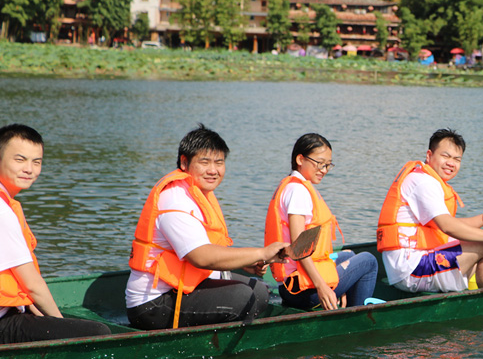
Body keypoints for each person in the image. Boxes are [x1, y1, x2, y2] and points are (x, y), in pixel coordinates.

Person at [126, 124, 288, 330]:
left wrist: (244, 263)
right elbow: (201, 257)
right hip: (153, 303)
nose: (213, 170)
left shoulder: (199, 194)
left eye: (219, 162)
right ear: (184, 163)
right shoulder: (174, 199)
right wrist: (262, 252)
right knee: (244, 297)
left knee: (258, 291)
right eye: (205, 162)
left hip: (184, 288)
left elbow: (207, 248)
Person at [0, 124, 111, 344]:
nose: (29, 169)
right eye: (20, 160)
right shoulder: (3, 211)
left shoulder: (7, 203)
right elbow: (32, 285)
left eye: (37, 162)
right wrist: (58, 324)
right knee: (99, 334)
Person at [377, 129, 483, 293]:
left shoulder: (425, 178)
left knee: (474, 243)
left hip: (410, 266)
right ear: (429, 155)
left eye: (457, 159)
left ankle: (471, 297)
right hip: (411, 269)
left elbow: (450, 224)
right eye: (446, 156)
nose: (451, 163)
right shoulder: (423, 182)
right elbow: (448, 226)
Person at [265, 133, 378, 310]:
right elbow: (299, 248)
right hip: (302, 290)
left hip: (292, 284)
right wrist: (322, 287)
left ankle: (343, 300)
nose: (324, 170)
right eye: (319, 163)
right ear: (300, 159)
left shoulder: (291, 185)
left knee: (348, 255)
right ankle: (357, 318)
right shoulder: (298, 192)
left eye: (327, 165)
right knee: (368, 260)